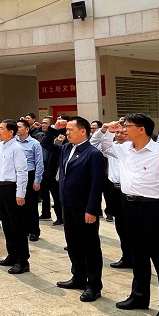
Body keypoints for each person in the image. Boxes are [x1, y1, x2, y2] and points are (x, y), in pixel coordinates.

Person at [101, 114, 159, 316]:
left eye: (127, 126)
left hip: (153, 208)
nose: (123, 129)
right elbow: (103, 145)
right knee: (137, 255)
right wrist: (107, 130)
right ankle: (139, 296)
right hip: (128, 206)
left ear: (141, 129)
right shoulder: (124, 149)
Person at [55, 116, 106, 302]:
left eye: (70, 129)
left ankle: (94, 285)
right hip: (67, 204)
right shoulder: (67, 148)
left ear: (83, 131)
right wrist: (55, 128)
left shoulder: (93, 154)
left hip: (84, 207)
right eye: (66, 129)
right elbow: (47, 144)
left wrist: (92, 209)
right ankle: (78, 277)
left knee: (89, 246)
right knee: (73, 243)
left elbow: (97, 184)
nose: (66, 132)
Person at [0, 119, 30, 274]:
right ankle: (12, 255)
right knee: (7, 225)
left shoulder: (17, 148)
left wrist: (20, 193)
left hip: (12, 188)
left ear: (11, 132)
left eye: (2, 128)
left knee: (17, 225)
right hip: (0, 188)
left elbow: (22, 172)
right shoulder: (0, 146)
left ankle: (23, 260)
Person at [91, 122, 132, 270]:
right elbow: (94, 143)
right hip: (114, 190)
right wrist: (105, 131)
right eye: (117, 133)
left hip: (129, 192)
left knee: (131, 226)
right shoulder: (112, 148)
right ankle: (127, 257)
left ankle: (137, 257)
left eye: (123, 132)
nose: (119, 135)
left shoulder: (132, 148)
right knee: (120, 225)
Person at [14, 120, 44, 241]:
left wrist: (37, 180)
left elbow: (39, 163)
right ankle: (23, 229)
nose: (17, 129)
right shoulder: (13, 142)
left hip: (29, 174)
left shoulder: (34, 143)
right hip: (16, 175)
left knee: (30, 205)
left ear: (27, 129)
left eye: (19, 127)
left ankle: (34, 231)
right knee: (18, 204)